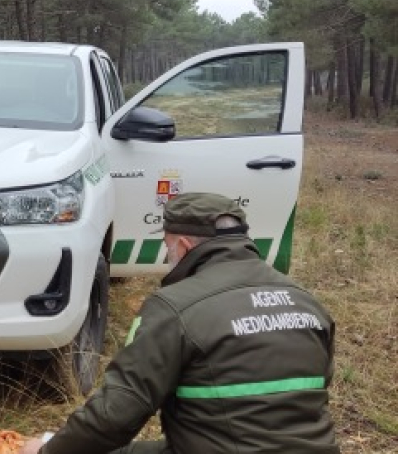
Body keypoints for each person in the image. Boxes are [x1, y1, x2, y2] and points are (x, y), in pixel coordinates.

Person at [20, 192, 338, 454]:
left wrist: (48, 450)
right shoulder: (307, 302)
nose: (166, 257)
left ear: (183, 247)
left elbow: (116, 416)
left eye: (167, 248)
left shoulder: (175, 307)